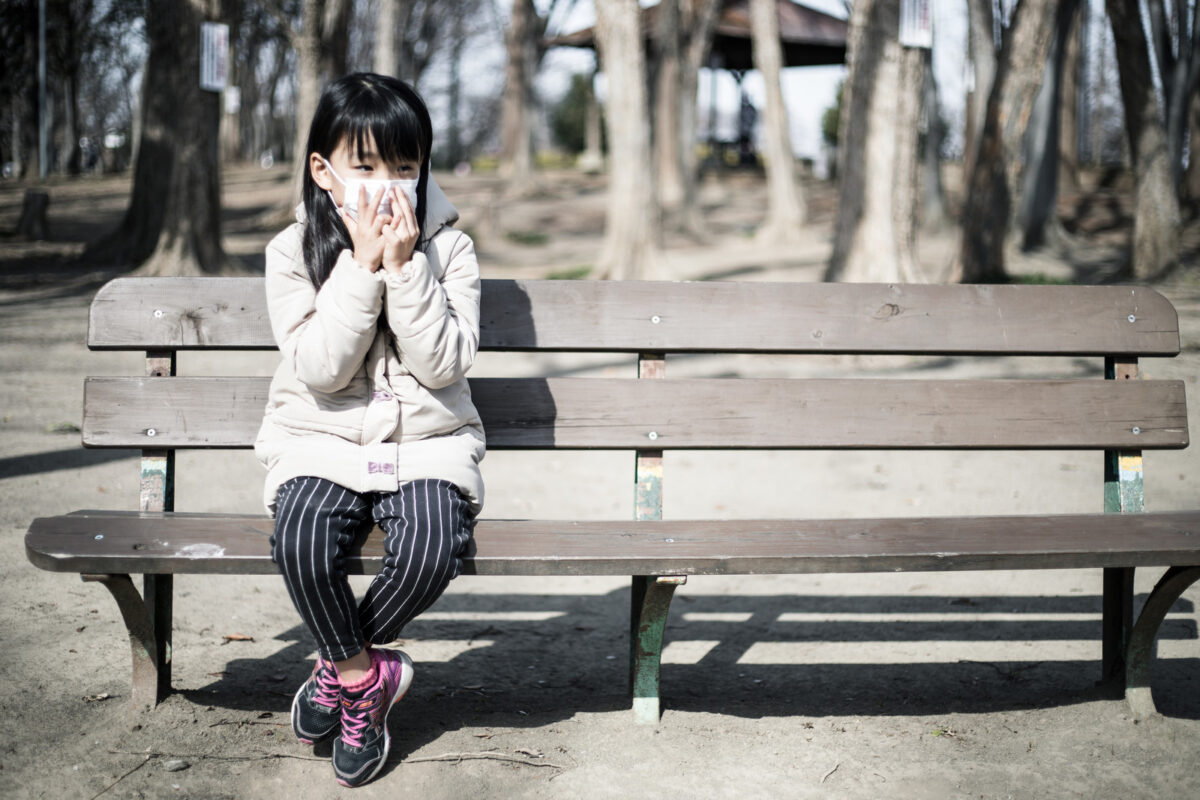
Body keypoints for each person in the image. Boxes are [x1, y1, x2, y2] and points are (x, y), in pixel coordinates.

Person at [254, 72, 485, 789]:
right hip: (320, 439)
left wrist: (406, 272)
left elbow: (445, 364)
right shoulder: (292, 251)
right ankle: (363, 676)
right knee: (301, 540)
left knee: (432, 547)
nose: (387, 186)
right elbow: (321, 370)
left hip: (427, 446)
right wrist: (359, 268)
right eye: (365, 166)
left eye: (404, 166)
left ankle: (337, 667)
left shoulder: (451, 252)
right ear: (323, 170)